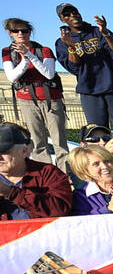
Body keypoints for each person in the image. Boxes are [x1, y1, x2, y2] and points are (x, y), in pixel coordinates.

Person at [52, 3, 113, 131]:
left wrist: (105, 33)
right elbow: (74, 68)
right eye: (67, 14)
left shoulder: (97, 31)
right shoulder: (62, 42)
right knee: (98, 132)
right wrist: (71, 47)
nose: (73, 15)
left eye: (75, 12)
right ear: (62, 19)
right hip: (89, 91)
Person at [3, 18, 67, 170]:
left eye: (24, 30)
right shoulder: (7, 52)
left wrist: (29, 55)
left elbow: (49, 74)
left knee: (60, 142)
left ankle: (66, 176)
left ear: (30, 32)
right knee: (38, 142)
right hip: (27, 100)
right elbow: (12, 77)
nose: (20, 34)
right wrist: (24, 59)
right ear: (9, 33)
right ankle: (46, 176)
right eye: (15, 31)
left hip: (51, 99)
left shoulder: (44, 50)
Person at [0, 123, 73, 220]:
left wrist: (10, 192)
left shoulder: (48, 173)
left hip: (44, 234)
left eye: (4, 152)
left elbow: (61, 210)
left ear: (24, 151)